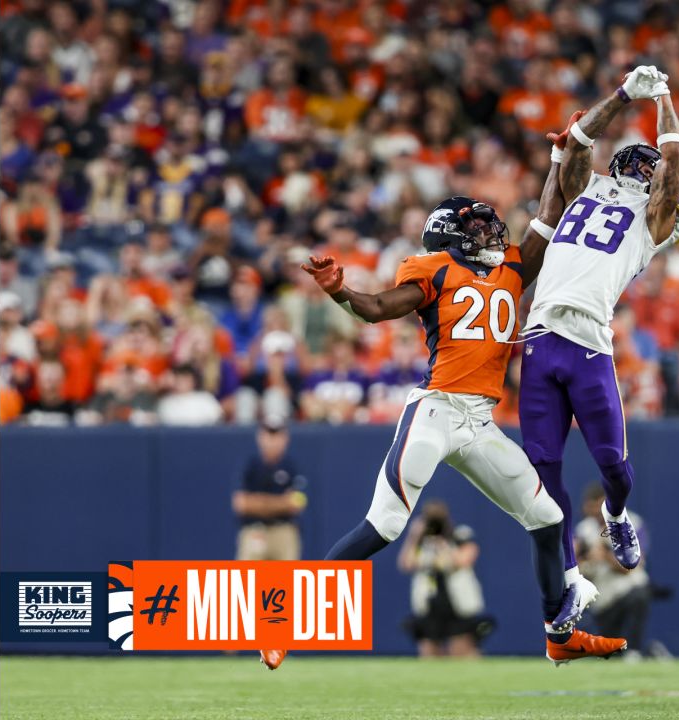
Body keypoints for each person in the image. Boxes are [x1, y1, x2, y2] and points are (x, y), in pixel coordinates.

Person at [260, 142, 625, 671]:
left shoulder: (511, 270)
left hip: (480, 421)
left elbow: (549, 215)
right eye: (478, 229)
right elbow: (379, 308)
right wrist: (341, 291)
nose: (491, 234)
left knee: (547, 518)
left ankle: (558, 634)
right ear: (451, 236)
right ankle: (287, 621)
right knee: (383, 526)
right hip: (436, 410)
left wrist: (555, 162)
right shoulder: (432, 270)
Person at [520, 66, 679, 592]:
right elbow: (576, 140)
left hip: (589, 342)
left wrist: (660, 96)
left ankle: (615, 515)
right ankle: (569, 576)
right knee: (544, 472)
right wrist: (621, 95)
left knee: (613, 466)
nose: (646, 173)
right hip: (539, 336)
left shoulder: (653, 217)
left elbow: (674, 156)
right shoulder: (584, 187)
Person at [397, 500, 490, 658]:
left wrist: (443, 542)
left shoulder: (459, 535)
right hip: (429, 604)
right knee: (429, 651)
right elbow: (406, 564)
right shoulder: (421, 542)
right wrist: (414, 536)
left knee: (462, 650)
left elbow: (465, 559)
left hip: (458, 604)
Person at [575, 485, 652, 659]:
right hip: (603, 597)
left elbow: (631, 566)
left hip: (629, 587)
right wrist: (584, 560)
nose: (595, 513)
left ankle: (635, 651)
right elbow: (572, 569)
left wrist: (605, 556)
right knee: (611, 652)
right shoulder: (584, 530)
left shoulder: (631, 523)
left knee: (639, 596)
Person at [231, 416, 306, 561]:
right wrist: (280, 502)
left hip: (283, 529)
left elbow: (297, 503)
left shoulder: (291, 466)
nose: (272, 441)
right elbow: (240, 504)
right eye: (269, 434)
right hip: (254, 529)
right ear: (260, 437)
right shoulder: (250, 465)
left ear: (285, 438)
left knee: (287, 581)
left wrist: (258, 502)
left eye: (277, 435)